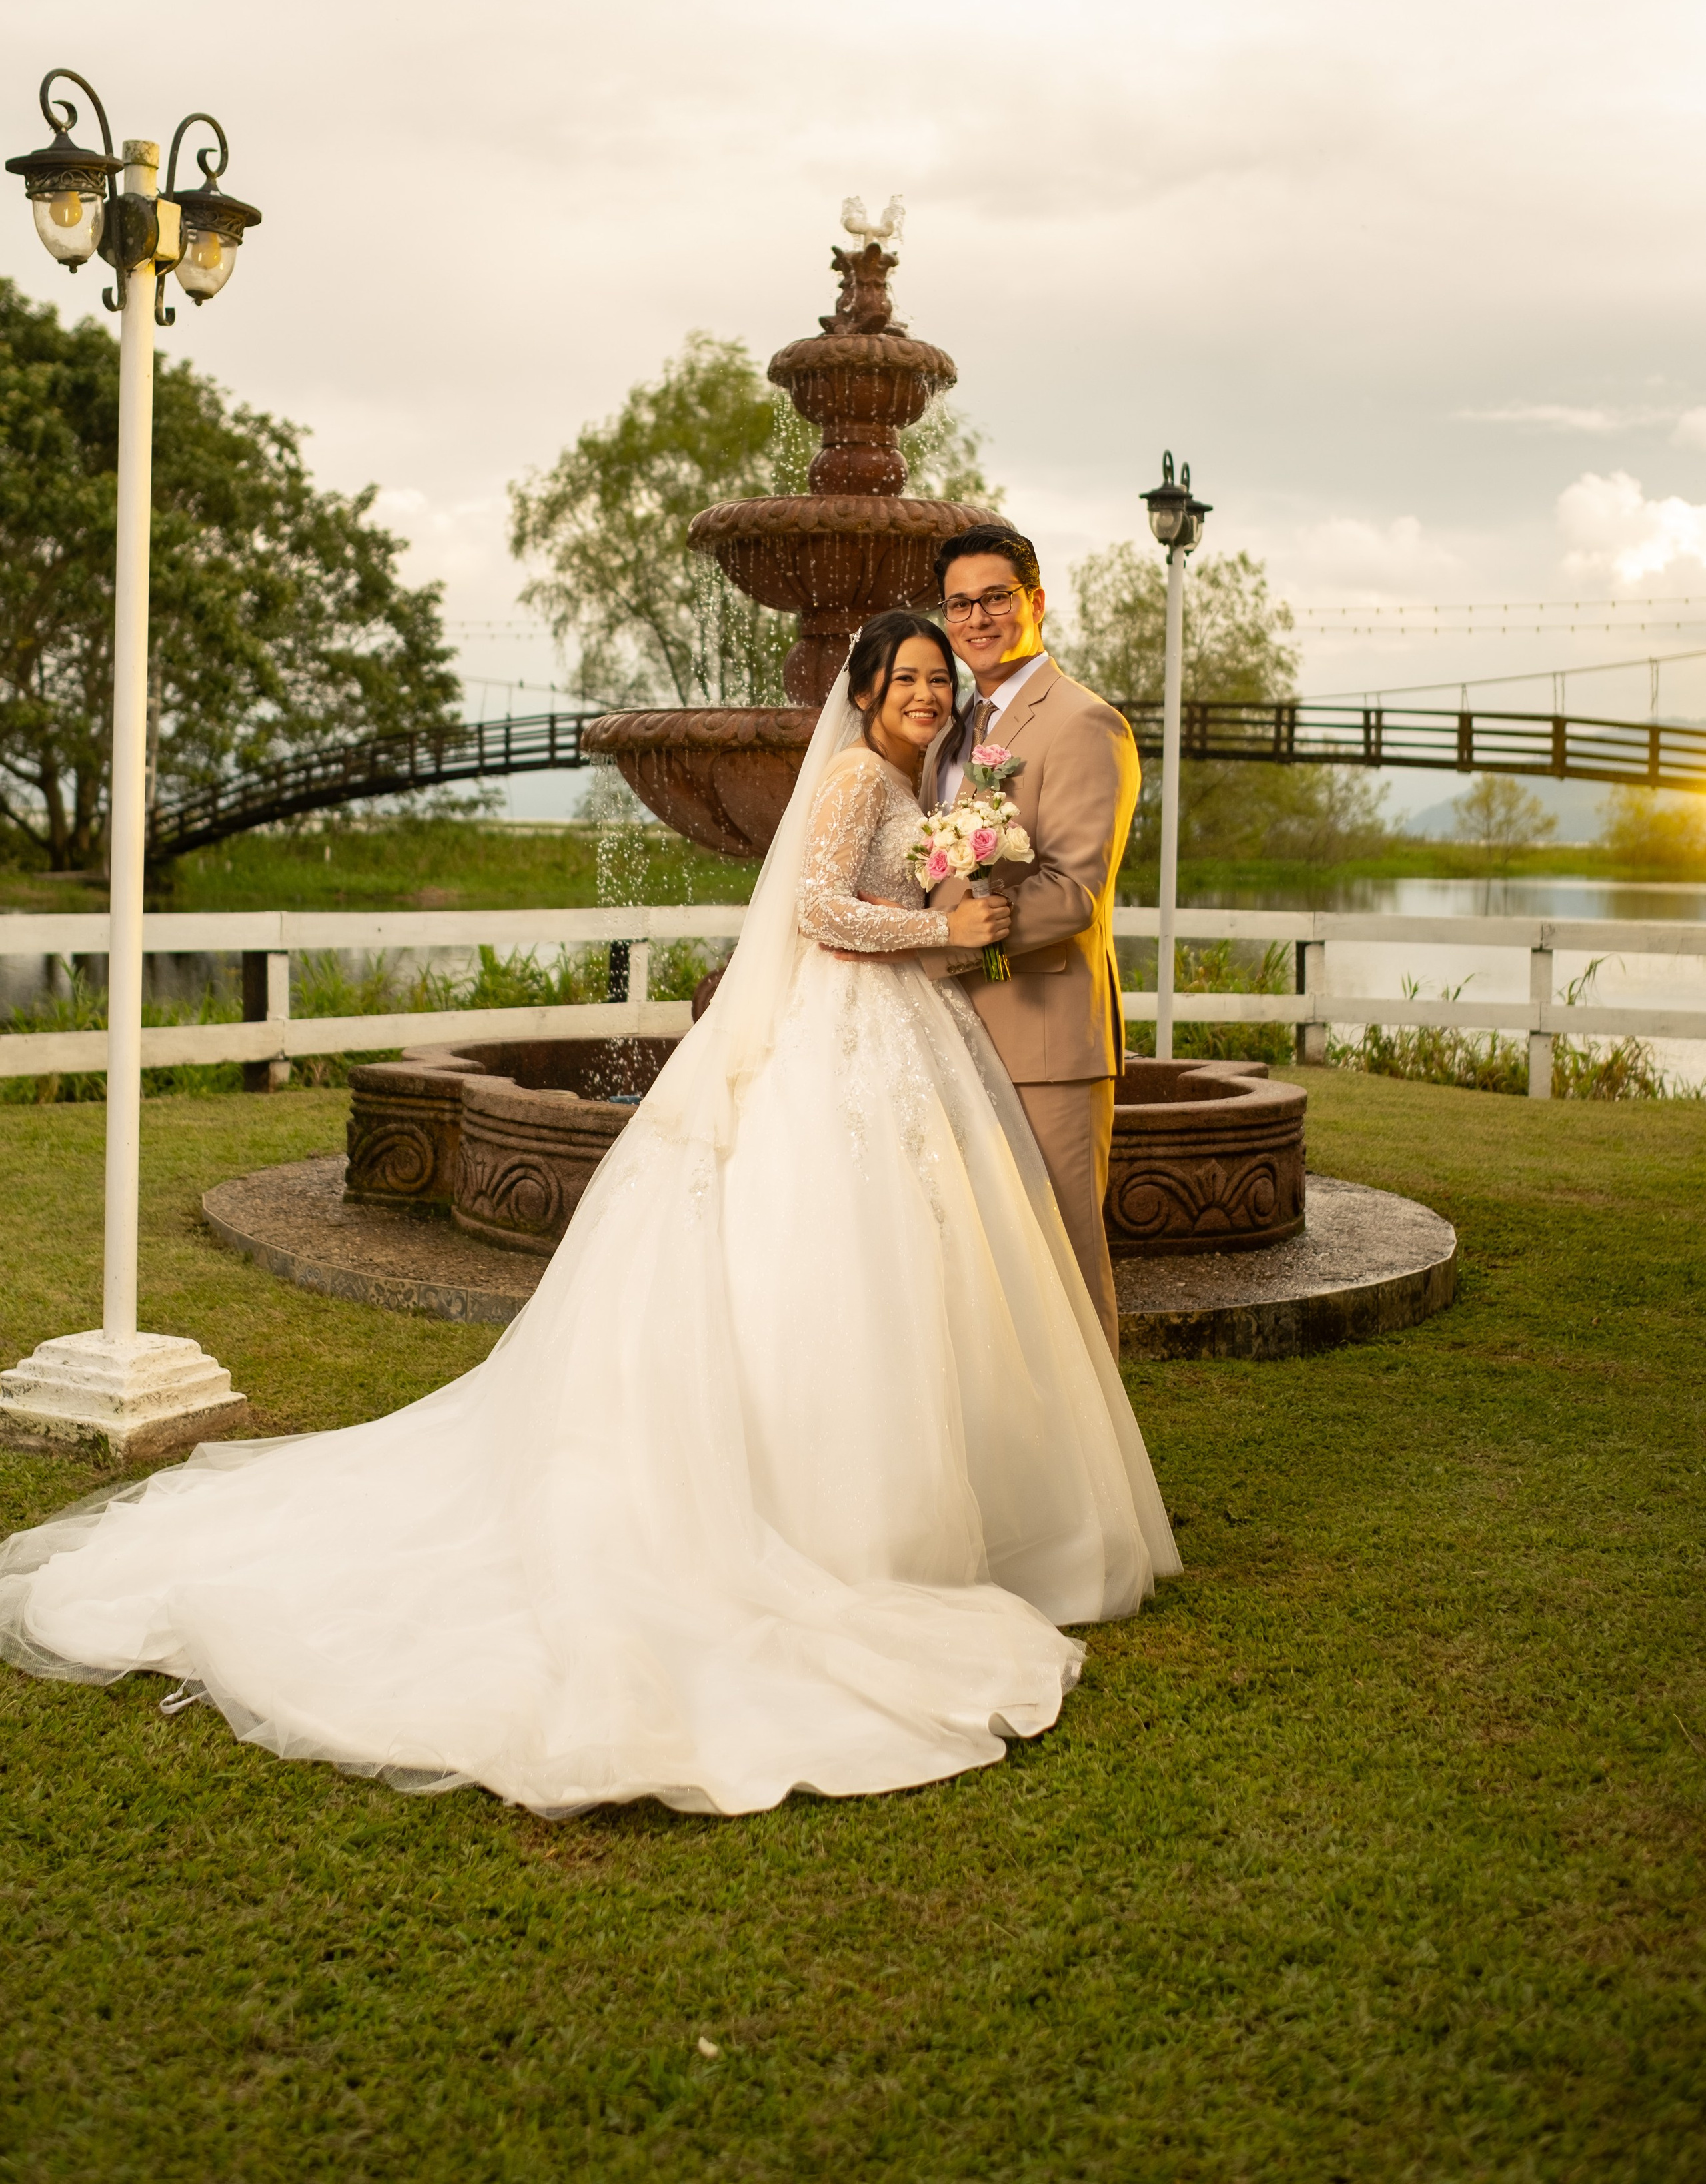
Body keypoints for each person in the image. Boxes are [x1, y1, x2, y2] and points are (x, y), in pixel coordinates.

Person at [0, 612, 1178, 1821]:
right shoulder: (847, 775)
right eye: (909, 677)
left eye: (941, 678)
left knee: (895, 1273)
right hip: (837, 1041)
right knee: (822, 1265)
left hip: (886, 1036)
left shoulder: (911, 779)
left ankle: (920, 1517)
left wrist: (953, 916)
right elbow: (820, 909)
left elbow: (871, 917)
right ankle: (830, 1524)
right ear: (868, 688)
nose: (930, 692)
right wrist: (946, 923)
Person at [915, 526, 1140, 1360]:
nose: (978, 617)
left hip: (1044, 1038)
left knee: (1065, 1276)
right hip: (945, 1036)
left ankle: (1098, 1491)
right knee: (979, 1278)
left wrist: (935, 945)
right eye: (960, 603)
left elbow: (1074, 892)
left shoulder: (1085, 724)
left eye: (996, 597)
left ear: (1035, 602)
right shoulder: (945, 729)